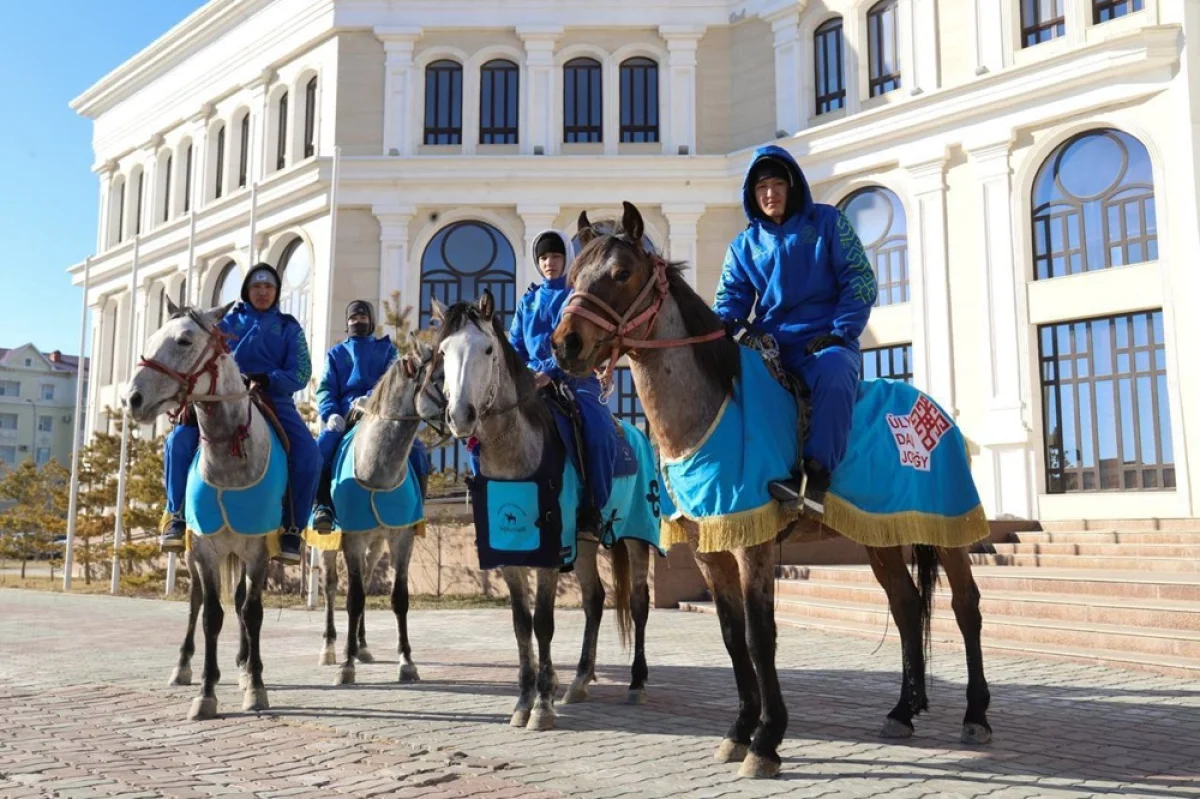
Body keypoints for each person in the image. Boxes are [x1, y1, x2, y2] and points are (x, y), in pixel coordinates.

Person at [713, 145, 878, 518]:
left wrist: (841, 332)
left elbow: (859, 279)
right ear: (752, 196)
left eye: (776, 184)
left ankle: (817, 477)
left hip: (826, 340)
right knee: (737, 384)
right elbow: (729, 301)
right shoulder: (743, 246)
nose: (769, 193)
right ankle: (756, 476)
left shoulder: (828, 223)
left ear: (792, 186)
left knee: (835, 372)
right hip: (772, 346)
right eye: (761, 188)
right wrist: (730, 325)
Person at [160, 263, 321, 565]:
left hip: (273, 398)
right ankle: (177, 516)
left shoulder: (289, 326)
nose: (262, 292)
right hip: (218, 397)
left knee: (309, 455)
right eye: (257, 287)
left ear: (276, 292)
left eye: (269, 287)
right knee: (177, 441)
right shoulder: (224, 323)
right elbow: (201, 357)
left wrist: (268, 377)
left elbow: (301, 372)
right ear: (247, 290)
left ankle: (293, 529)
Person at [509, 229, 618, 533]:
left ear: (566, 259)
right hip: (530, 381)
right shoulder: (527, 301)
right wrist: (524, 374)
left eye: (556, 256)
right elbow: (515, 346)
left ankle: (596, 508)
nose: (549, 262)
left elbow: (576, 343)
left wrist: (549, 371)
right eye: (543, 257)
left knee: (598, 431)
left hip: (575, 377)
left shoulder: (576, 296)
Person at [312, 300, 430, 532]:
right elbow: (326, 388)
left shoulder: (387, 350)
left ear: (372, 321)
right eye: (353, 318)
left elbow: (392, 379)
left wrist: (372, 398)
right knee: (320, 448)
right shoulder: (336, 354)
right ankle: (322, 505)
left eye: (363, 317)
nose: (358, 321)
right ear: (347, 323)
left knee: (417, 450)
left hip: (380, 412)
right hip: (346, 416)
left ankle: (417, 510)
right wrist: (331, 413)